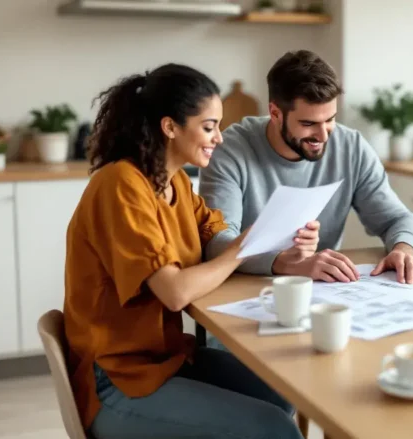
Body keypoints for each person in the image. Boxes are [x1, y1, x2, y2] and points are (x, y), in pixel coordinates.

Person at [63, 63, 317, 438]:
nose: (219, 137)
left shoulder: (176, 182)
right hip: (118, 379)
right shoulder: (121, 185)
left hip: (167, 358)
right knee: (272, 427)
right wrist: (247, 246)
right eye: (209, 126)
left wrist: (280, 246)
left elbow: (218, 238)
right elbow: (175, 291)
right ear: (170, 127)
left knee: (282, 392)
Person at [199, 50, 413, 286]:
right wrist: (287, 263)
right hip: (242, 288)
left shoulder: (351, 147)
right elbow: (216, 244)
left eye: (330, 120)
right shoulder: (230, 150)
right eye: (308, 124)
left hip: (322, 288)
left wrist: (404, 250)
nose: (322, 135)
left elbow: (398, 219)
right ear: (275, 114)